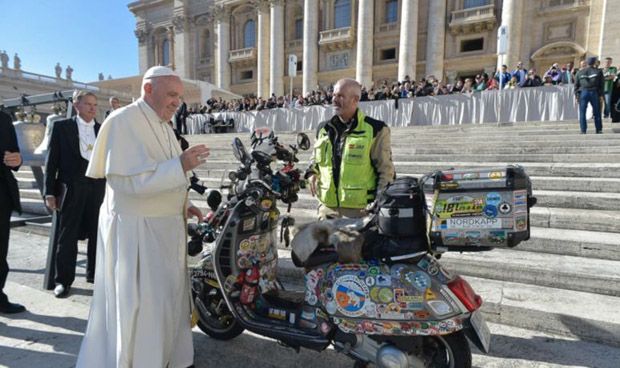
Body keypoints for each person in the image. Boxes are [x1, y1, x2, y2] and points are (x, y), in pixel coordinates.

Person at [75, 66, 209, 368]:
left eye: (180, 96)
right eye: (172, 95)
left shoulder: (163, 124)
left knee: (165, 303)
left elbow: (159, 173)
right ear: (148, 89)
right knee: (141, 306)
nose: (177, 102)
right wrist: (181, 165)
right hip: (136, 234)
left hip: (164, 229)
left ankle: (166, 359)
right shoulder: (123, 122)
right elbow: (127, 183)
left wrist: (182, 204)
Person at [44, 91, 106, 297]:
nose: (92, 108)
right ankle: (63, 280)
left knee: (98, 234)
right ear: (76, 104)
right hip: (71, 188)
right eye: (88, 103)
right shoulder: (62, 127)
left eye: (95, 104)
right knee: (67, 235)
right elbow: (52, 160)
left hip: (97, 188)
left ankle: (95, 275)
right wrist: (49, 192)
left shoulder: (102, 129)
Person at [307, 78, 395, 220]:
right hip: (327, 210)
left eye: (341, 96)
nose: (334, 99)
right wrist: (312, 172)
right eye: (334, 95)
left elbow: (386, 171)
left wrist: (378, 204)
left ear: (355, 100)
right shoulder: (323, 129)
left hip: (359, 213)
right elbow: (315, 159)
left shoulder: (376, 129)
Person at [0, 111, 26, 314]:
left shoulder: (4, 118)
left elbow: (13, 153)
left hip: (2, 193)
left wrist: (16, 159)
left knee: (1, 251)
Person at [574, 56, 605, 134]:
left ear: (587, 63)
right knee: (597, 112)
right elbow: (602, 84)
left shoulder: (579, 72)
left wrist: (576, 95)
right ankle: (599, 129)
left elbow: (576, 85)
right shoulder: (598, 71)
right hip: (594, 92)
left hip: (583, 93)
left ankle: (583, 130)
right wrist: (601, 95)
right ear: (594, 63)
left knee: (582, 112)